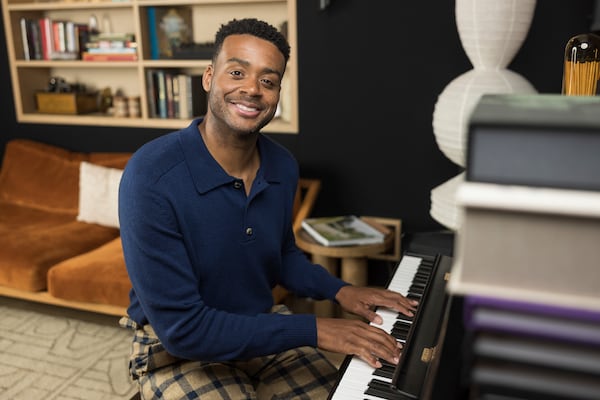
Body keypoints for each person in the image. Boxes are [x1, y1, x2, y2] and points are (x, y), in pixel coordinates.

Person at [118, 17, 418, 399]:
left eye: (268, 80)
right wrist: (317, 330)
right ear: (209, 77)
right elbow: (184, 329)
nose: (252, 90)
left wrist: (341, 291)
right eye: (238, 72)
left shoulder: (282, 166)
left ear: (277, 93)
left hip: (258, 324)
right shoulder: (150, 175)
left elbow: (280, 256)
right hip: (175, 348)